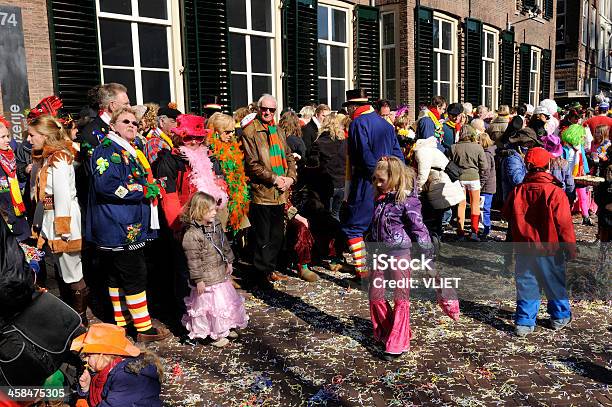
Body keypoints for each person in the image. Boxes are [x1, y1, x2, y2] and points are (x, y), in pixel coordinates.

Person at [86, 106, 170, 342]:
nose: (132, 126)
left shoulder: (128, 149)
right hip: (119, 225)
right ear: (113, 126)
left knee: (116, 274)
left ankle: (121, 321)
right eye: (126, 122)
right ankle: (143, 328)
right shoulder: (106, 150)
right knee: (134, 273)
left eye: (135, 123)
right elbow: (108, 186)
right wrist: (143, 190)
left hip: (125, 223)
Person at [368, 157, 457, 361]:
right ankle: (389, 330)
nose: (377, 184)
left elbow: (420, 231)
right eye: (375, 179)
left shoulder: (408, 201)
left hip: (400, 254)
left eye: (381, 180)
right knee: (375, 295)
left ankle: (398, 341)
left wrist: (428, 259)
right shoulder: (379, 199)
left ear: (394, 178)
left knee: (401, 298)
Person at [502, 147, 575, 337]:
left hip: (524, 248)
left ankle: (524, 322)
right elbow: (565, 225)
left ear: (527, 165)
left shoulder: (518, 191)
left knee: (527, 284)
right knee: (554, 282)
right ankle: (559, 317)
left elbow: (507, 215)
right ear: (548, 165)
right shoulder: (555, 192)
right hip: (550, 248)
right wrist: (571, 248)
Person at [28, 115, 89, 324]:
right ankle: (69, 318)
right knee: (62, 271)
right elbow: (41, 195)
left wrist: (63, 228)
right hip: (49, 218)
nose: (29, 139)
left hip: (63, 221)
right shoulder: (46, 157)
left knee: (72, 271)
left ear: (45, 136)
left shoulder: (60, 158)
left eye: (32, 135)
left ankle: (80, 321)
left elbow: (62, 194)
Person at [342, 89, 404, 279]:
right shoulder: (385, 124)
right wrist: (395, 178)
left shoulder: (358, 123)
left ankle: (362, 272)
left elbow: (364, 155)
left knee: (354, 226)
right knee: (381, 226)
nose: (348, 113)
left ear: (354, 107)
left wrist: (378, 178)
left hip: (367, 183)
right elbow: (398, 155)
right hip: (389, 182)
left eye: (348, 109)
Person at [241, 94, 297, 288]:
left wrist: (290, 178)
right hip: (262, 192)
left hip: (280, 192)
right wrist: (275, 178)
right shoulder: (250, 132)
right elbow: (252, 164)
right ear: (258, 109)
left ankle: (269, 269)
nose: (267, 112)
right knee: (263, 237)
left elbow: (288, 156)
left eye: (271, 110)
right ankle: (259, 275)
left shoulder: (278, 130)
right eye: (264, 109)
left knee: (277, 236)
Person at [180, 192, 248, 347]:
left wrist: (229, 261)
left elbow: (224, 244)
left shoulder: (215, 224)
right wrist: (198, 280)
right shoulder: (191, 234)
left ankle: (226, 326)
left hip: (219, 273)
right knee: (211, 308)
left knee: (225, 303)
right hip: (207, 278)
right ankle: (215, 334)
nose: (215, 212)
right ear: (200, 211)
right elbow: (193, 260)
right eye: (211, 210)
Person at [72, 323, 163, 406]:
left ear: (102, 355)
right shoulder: (105, 370)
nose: (85, 359)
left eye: (88, 355)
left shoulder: (127, 377)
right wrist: (86, 388)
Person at [412, 136, 465, 239]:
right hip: (444, 180)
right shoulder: (431, 149)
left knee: (439, 211)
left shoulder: (422, 152)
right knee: (443, 208)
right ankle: (440, 231)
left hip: (439, 181)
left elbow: (423, 173)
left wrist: (416, 188)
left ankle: (437, 235)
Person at [206, 113, 250, 234]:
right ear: (216, 131)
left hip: (235, 199)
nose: (231, 135)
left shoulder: (233, 147)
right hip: (219, 202)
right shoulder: (209, 152)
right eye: (227, 132)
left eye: (232, 132)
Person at [450, 125, 488, 240]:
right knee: (475, 204)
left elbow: (450, 164)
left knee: (461, 205)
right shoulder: (478, 147)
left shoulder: (453, 147)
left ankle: (460, 231)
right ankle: (474, 232)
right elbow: (484, 166)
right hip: (474, 178)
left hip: (459, 178)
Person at [308, 112, 347, 221]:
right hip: (341, 184)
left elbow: (313, 164)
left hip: (327, 184)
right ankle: (337, 237)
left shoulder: (319, 143)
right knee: (336, 215)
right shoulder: (344, 143)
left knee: (326, 218)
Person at [0, 116, 29, 241]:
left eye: (8, 136)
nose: (7, 140)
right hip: (5, 215)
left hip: (17, 210)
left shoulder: (10, 155)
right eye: (3, 137)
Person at [561, 124, 593, 226]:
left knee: (583, 196)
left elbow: (583, 160)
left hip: (579, 175)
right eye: (581, 135)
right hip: (568, 176)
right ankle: (566, 216)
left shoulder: (580, 147)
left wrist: (586, 172)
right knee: (568, 196)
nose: (583, 137)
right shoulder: (564, 148)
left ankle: (586, 216)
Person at [542, 134, 575, 201]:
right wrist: (569, 197)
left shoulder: (541, 161)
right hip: (560, 195)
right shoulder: (564, 163)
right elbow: (570, 184)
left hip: (544, 195)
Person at [478, 132, 496, 238]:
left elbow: (485, 172)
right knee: (485, 208)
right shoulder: (489, 153)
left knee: (484, 208)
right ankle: (485, 227)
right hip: (488, 186)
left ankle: (486, 228)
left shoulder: (486, 155)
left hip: (486, 187)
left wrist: (480, 184)